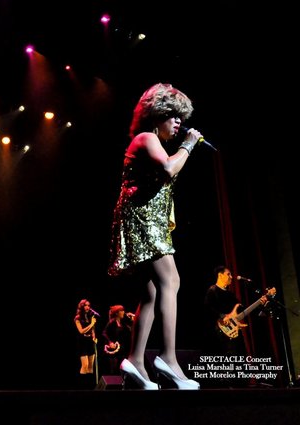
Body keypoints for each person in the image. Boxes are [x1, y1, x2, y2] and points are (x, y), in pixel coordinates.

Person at [108, 83, 203, 390]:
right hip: (143, 221)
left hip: (150, 221)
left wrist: (183, 146)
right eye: (174, 116)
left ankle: (135, 361)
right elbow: (169, 169)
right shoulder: (146, 138)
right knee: (171, 281)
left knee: (150, 293)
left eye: (182, 118)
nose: (179, 123)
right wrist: (188, 144)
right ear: (158, 114)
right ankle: (168, 359)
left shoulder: (155, 141)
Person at [203, 265, 273, 387]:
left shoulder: (231, 295)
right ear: (220, 275)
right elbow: (208, 308)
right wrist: (222, 316)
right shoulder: (212, 291)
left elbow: (242, 311)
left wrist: (260, 303)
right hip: (221, 331)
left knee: (240, 358)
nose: (231, 277)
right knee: (228, 357)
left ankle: (241, 385)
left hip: (234, 331)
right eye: (228, 274)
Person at [102, 305, 134, 376]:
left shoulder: (123, 323)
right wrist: (110, 342)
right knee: (114, 369)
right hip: (114, 351)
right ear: (117, 313)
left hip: (122, 350)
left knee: (121, 368)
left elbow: (131, 330)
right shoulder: (112, 322)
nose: (123, 312)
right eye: (121, 311)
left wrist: (131, 319)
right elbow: (104, 333)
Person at [73, 299, 98, 388]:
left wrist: (94, 337)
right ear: (82, 307)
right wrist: (91, 324)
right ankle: (81, 387)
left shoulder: (90, 316)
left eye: (88, 305)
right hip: (82, 342)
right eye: (85, 305)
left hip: (89, 342)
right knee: (85, 365)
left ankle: (89, 387)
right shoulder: (77, 318)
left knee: (91, 366)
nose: (88, 307)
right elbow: (81, 331)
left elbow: (93, 329)